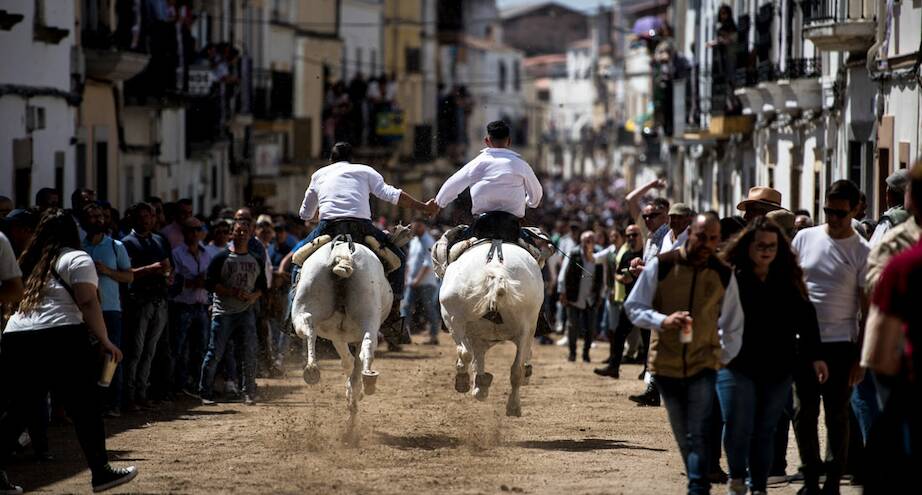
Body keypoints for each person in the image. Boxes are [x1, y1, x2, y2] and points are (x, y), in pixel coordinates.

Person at [0, 210, 137, 493]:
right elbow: (88, 302)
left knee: (19, 411)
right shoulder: (77, 258)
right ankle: (101, 472)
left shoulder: (30, 261)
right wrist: (105, 340)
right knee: (86, 408)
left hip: (17, 336)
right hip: (60, 336)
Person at [624, 212, 744, 494]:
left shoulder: (723, 273)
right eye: (702, 237)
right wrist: (662, 321)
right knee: (684, 433)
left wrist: (722, 357)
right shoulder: (663, 266)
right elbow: (634, 306)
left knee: (698, 429)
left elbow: (733, 323)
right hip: (665, 365)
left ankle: (697, 486)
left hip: (705, 364)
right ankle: (698, 479)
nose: (708, 244)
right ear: (690, 234)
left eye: (714, 239)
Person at [717, 217, 828, 495]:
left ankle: (758, 486)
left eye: (772, 246)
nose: (766, 251)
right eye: (760, 246)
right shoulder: (731, 276)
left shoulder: (787, 279)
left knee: (765, 429)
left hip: (777, 365)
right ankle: (737, 477)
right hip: (735, 362)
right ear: (748, 247)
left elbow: (807, 317)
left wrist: (816, 355)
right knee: (737, 424)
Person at [297, 141, 436, 339]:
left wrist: (318, 214)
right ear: (352, 159)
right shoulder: (365, 170)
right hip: (361, 228)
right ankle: (394, 312)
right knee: (399, 258)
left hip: (328, 226)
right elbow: (392, 195)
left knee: (297, 259)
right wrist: (423, 207)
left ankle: (293, 308)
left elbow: (304, 213)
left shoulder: (319, 174)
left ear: (330, 160)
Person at [790, 180, 870, 495]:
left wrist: (862, 358)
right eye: (828, 211)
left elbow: (868, 309)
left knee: (837, 414)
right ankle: (810, 477)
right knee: (802, 411)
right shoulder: (804, 237)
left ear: (855, 210)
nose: (833, 218)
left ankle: (834, 480)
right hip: (805, 342)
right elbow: (791, 284)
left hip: (842, 343)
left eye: (840, 213)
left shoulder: (862, 251)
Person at [199, 221, 268, 405]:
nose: (242, 234)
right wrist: (232, 292)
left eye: (246, 231)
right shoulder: (221, 258)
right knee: (215, 353)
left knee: (248, 353)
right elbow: (210, 284)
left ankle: (248, 392)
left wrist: (253, 296)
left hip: (246, 312)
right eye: (238, 231)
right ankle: (205, 392)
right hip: (223, 312)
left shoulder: (256, 259)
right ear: (232, 234)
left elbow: (262, 287)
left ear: (250, 234)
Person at [81, 203, 134, 418]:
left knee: (111, 358)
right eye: (93, 216)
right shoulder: (78, 246)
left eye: (102, 216)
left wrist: (107, 271)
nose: (99, 220)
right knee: (86, 359)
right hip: (82, 310)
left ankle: (112, 402)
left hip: (110, 309)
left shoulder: (115, 246)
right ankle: (90, 402)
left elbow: (129, 276)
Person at [120, 202, 173, 412]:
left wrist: (168, 275)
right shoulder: (126, 243)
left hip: (159, 300)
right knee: (135, 351)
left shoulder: (159, 240)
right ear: (133, 219)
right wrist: (150, 270)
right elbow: (125, 273)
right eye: (141, 217)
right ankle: (129, 396)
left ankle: (142, 394)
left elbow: (169, 266)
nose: (146, 220)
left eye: (149, 216)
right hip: (139, 302)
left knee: (150, 351)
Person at [624, 179, 670, 407]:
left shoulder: (667, 236)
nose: (647, 219)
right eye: (646, 216)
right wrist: (652, 183)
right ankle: (653, 389)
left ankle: (655, 390)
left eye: (653, 215)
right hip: (651, 295)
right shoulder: (649, 234)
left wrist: (643, 268)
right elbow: (630, 200)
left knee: (658, 345)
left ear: (666, 216)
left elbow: (662, 267)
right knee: (654, 345)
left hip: (663, 296)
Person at [594, 224, 644, 377]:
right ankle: (614, 367)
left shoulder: (646, 252)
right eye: (628, 235)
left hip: (646, 301)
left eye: (634, 235)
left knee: (646, 338)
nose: (631, 238)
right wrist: (623, 278)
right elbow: (616, 274)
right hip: (630, 301)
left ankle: (648, 370)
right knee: (619, 334)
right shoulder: (626, 254)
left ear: (641, 236)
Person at [171, 217, 212, 396]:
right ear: (184, 232)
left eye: (198, 229)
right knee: (179, 348)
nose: (195, 233)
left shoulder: (206, 253)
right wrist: (193, 282)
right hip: (183, 306)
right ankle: (178, 385)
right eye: (191, 230)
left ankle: (196, 384)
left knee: (201, 348)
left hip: (201, 306)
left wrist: (204, 281)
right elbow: (174, 281)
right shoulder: (176, 253)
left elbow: (210, 278)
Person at [558, 231, 604, 362]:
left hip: (591, 297)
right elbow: (564, 272)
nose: (588, 242)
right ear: (581, 241)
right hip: (574, 295)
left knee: (590, 328)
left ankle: (586, 354)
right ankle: (572, 353)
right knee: (572, 326)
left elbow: (602, 277)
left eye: (591, 240)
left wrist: (600, 295)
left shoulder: (598, 254)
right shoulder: (574, 253)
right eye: (586, 240)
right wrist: (562, 291)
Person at [402, 218, 440, 345]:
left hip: (426, 282)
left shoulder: (429, 242)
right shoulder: (414, 242)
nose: (413, 229)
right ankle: (402, 335)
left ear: (422, 227)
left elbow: (428, 264)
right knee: (405, 307)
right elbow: (409, 262)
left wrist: (417, 279)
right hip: (412, 282)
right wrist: (407, 278)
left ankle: (433, 336)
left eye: (416, 227)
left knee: (429, 308)